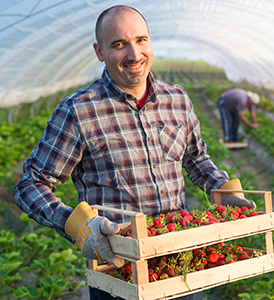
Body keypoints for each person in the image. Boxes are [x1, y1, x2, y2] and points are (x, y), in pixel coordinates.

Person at [13, 5, 255, 300]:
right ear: (99, 52)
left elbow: (195, 158)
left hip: (180, 262)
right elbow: (31, 184)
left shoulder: (177, 99)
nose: (134, 54)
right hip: (119, 272)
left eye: (141, 40)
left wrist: (223, 188)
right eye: (118, 44)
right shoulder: (79, 111)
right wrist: (77, 226)